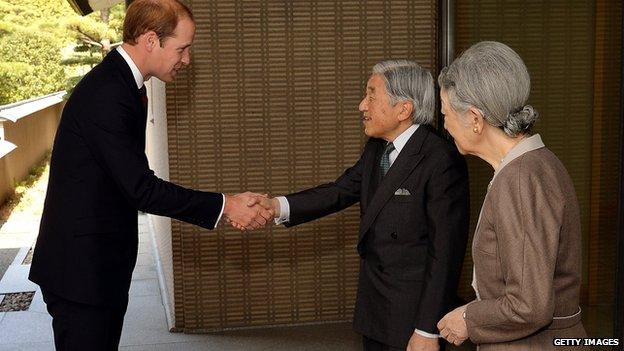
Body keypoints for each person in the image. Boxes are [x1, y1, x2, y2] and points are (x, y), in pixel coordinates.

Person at [28, 1, 271, 349]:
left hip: (98, 267)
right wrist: (226, 205)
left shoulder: (125, 84)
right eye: (182, 49)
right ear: (151, 40)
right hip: (81, 273)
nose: (187, 60)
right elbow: (140, 188)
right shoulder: (109, 93)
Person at [250, 60, 470, 351]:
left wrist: (427, 330)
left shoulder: (440, 160)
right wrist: (276, 206)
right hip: (375, 306)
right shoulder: (377, 147)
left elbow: (446, 254)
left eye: (371, 96)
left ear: (403, 109)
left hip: (413, 313)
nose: (361, 106)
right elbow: (340, 190)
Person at [435, 41, 587, 350]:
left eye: (446, 113)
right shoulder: (537, 162)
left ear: (475, 120)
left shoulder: (519, 179)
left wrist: (467, 318)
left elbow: (528, 305)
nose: (445, 125)